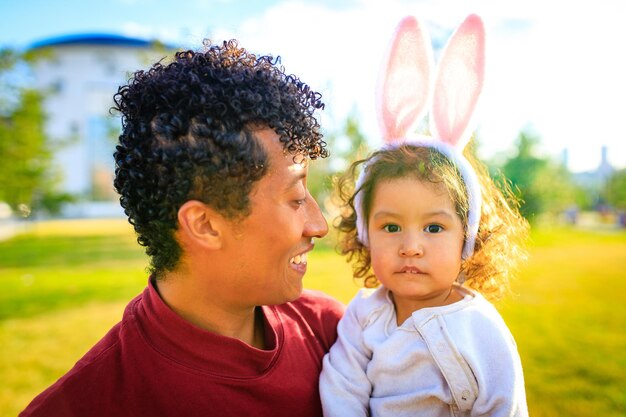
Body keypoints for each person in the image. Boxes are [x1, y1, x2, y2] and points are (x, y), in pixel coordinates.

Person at [20, 39, 345, 417]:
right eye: (296, 197)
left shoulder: (334, 333)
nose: (318, 226)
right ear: (205, 225)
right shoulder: (87, 403)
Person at [319, 15, 530, 416]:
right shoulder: (363, 317)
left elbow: (506, 407)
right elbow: (341, 390)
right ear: (365, 233)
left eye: (434, 227)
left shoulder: (481, 330)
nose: (411, 247)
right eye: (391, 226)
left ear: (466, 237)